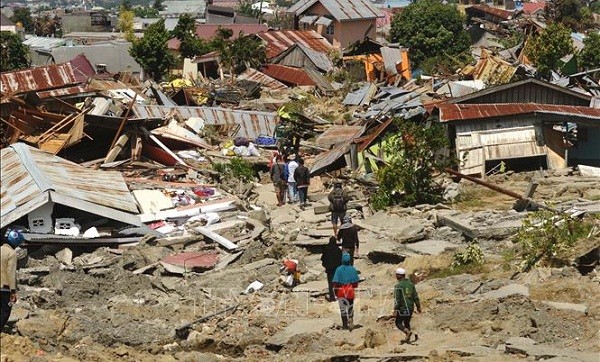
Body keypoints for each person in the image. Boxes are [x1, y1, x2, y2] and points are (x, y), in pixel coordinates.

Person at [1, 229, 24, 331]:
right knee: (5, 311)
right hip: (4, 288)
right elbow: (10, 272)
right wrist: (13, 291)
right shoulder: (12, 254)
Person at [332, 252, 360, 331]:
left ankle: (344, 324)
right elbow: (355, 282)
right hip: (350, 290)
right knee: (350, 306)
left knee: (343, 308)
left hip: (341, 291)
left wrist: (335, 291)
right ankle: (350, 318)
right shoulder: (352, 269)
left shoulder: (339, 269)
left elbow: (335, 281)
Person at [394, 268, 421, 343]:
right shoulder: (411, 284)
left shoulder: (398, 285)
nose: (396, 276)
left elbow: (397, 299)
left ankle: (407, 332)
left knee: (398, 323)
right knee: (406, 322)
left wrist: (395, 309)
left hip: (403, 308)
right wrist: (418, 307)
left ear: (400, 275)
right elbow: (415, 296)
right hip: (410, 307)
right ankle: (409, 338)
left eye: (397, 274)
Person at [321, 236, 342, 302]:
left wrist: (325, 264)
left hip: (329, 269)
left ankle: (332, 297)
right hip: (337, 269)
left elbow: (322, 258)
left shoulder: (326, 249)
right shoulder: (338, 250)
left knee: (330, 283)